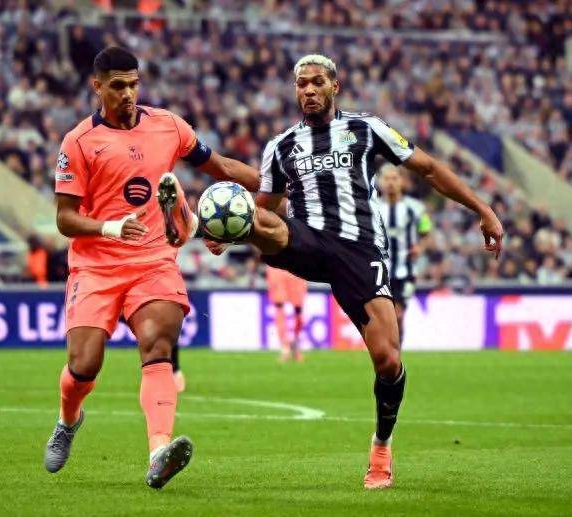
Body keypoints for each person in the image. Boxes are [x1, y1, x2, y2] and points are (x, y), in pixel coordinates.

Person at [207, 54, 503, 489]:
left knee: (388, 360)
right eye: (301, 84)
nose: (309, 90)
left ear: (335, 86)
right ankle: (195, 224)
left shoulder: (367, 128)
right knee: (257, 217)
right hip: (307, 239)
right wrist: (233, 232)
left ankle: (381, 445)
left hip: (360, 250)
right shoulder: (281, 146)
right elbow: (265, 209)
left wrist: (483, 209)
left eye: (317, 82)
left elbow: (429, 169)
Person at [44, 47, 258, 489]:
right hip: (96, 266)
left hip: (152, 261)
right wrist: (109, 227)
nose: (127, 94)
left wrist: (278, 185)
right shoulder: (78, 142)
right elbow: (64, 218)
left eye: (133, 84)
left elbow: (220, 167)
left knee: (158, 344)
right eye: (117, 86)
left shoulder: (168, 126)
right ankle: (68, 420)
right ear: (97, 86)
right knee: (84, 365)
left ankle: (159, 451)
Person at [376, 165, 432, 340]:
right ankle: (390, 352)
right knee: (386, 318)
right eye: (387, 178)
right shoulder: (372, 207)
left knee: (397, 314)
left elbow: (426, 232)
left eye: (394, 178)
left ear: (401, 181)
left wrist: (420, 247)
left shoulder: (415, 208)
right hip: (380, 272)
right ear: (380, 181)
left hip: (406, 271)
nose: (390, 183)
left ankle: (395, 352)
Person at [266, 266, 307, 361]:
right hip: (276, 267)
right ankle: (285, 348)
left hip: (297, 266)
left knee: (298, 308)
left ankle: (295, 342)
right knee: (279, 306)